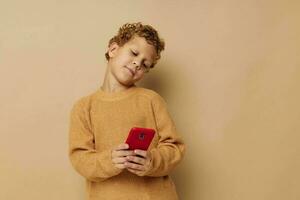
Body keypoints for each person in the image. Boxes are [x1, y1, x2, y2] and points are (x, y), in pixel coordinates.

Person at [68, 22, 186, 200]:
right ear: (113, 49)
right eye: (134, 53)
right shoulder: (84, 107)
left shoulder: (151, 100)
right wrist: (110, 160)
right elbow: (80, 158)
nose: (137, 63)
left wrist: (151, 161)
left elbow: (175, 148)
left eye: (145, 64)